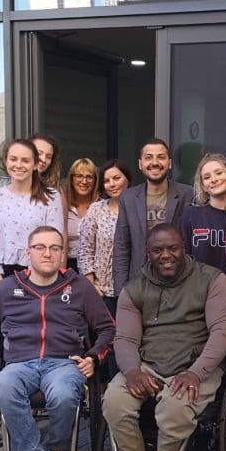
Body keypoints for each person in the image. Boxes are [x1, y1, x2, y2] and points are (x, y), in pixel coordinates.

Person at [102, 225, 226, 451]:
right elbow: (125, 339)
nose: (166, 256)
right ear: (148, 253)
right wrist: (133, 371)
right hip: (147, 364)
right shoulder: (134, 288)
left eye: (172, 248)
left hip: (195, 366)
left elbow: (223, 333)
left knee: (174, 408)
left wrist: (196, 372)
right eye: (158, 250)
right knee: (114, 401)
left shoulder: (212, 280)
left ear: (184, 246)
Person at [0, 226, 115, 451]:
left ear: (63, 255)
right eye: (40, 247)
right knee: (3, 386)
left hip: (63, 362)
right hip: (19, 363)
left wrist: (93, 358)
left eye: (54, 248)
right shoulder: (7, 288)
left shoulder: (79, 287)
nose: (47, 253)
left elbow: (108, 329)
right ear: (28, 253)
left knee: (63, 393)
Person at [112, 138, 193, 295]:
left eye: (161, 157)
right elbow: (122, 247)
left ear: (169, 163)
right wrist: (121, 293)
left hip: (179, 284)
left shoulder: (187, 194)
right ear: (140, 164)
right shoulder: (128, 198)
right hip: (139, 283)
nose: (155, 162)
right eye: (148, 157)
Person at [0, 138, 64, 285]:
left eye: (25, 160)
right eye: (13, 159)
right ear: (6, 162)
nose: (18, 165)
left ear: (35, 165)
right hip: (1, 275)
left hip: (38, 277)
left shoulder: (51, 197)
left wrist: (35, 279)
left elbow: (54, 241)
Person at [78, 160, 132, 378]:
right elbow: (85, 248)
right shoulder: (96, 209)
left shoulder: (138, 207)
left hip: (133, 289)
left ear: (128, 179)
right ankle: (111, 390)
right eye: (107, 180)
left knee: (130, 341)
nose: (112, 184)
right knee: (109, 341)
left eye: (117, 178)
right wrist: (91, 283)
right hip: (104, 291)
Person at [179, 153, 226, 286]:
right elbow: (183, 259)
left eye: (218, 173)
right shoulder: (191, 215)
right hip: (199, 293)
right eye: (207, 177)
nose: (213, 179)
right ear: (203, 185)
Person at [63, 157, 98, 271]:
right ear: (71, 179)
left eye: (89, 177)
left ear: (95, 181)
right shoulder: (62, 205)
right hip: (66, 264)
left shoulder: (101, 206)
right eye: (79, 176)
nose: (84, 181)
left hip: (94, 266)